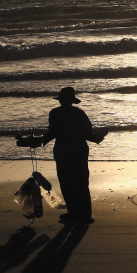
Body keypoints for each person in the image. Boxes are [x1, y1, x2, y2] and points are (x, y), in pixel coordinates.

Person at [15, 87, 107, 225]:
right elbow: (88, 134)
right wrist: (99, 136)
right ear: (72, 101)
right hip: (79, 150)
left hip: (63, 151)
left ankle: (72, 213)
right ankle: (86, 215)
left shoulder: (55, 113)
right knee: (81, 182)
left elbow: (52, 133)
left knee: (66, 182)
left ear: (61, 100)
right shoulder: (80, 113)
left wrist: (39, 141)